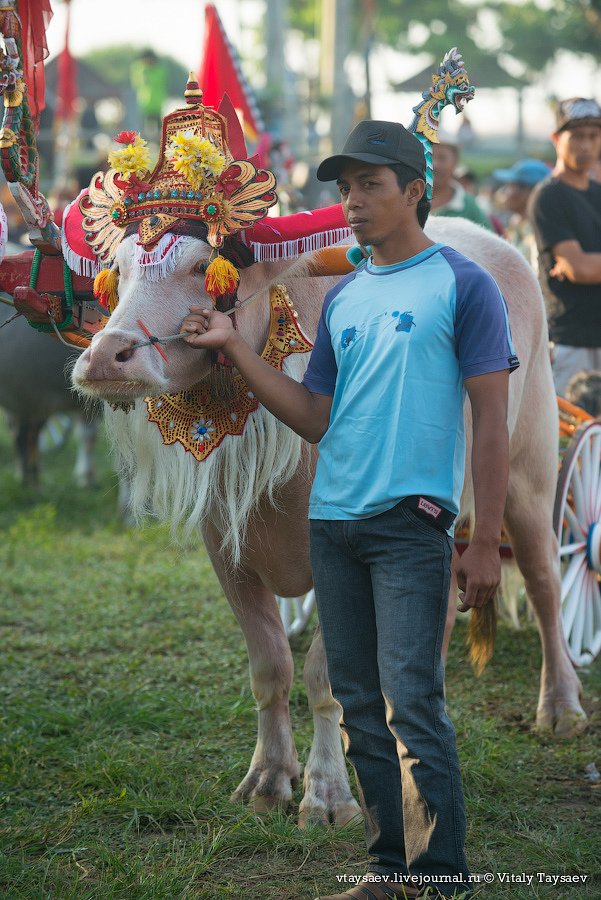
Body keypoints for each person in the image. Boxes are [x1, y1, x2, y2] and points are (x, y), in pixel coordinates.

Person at [180, 120, 518, 899]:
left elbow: (491, 424)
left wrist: (481, 538)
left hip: (411, 523)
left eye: (370, 184)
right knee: (358, 704)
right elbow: (315, 418)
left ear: (413, 191)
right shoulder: (347, 297)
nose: (353, 201)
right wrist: (235, 347)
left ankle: (438, 879)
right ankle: (385, 869)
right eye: (344, 188)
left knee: (411, 702)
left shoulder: (463, 284)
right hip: (332, 522)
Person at [528, 97, 601, 395]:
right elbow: (579, 269)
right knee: (569, 438)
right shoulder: (549, 197)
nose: (586, 144)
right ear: (557, 139)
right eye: (577, 136)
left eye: (593, 136)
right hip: (570, 342)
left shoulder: (598, 193)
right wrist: (580, 265)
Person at [493, 159, 550, 268]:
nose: (505, 192)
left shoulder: (539, 231)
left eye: (511, 186)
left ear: (528, 192)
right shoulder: (516, 224)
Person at [430, 138, 492, 230]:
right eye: (429, 156)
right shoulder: (409, 200)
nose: (435, 164)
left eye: (442, 158)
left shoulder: (470, 207)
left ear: (455, 163)